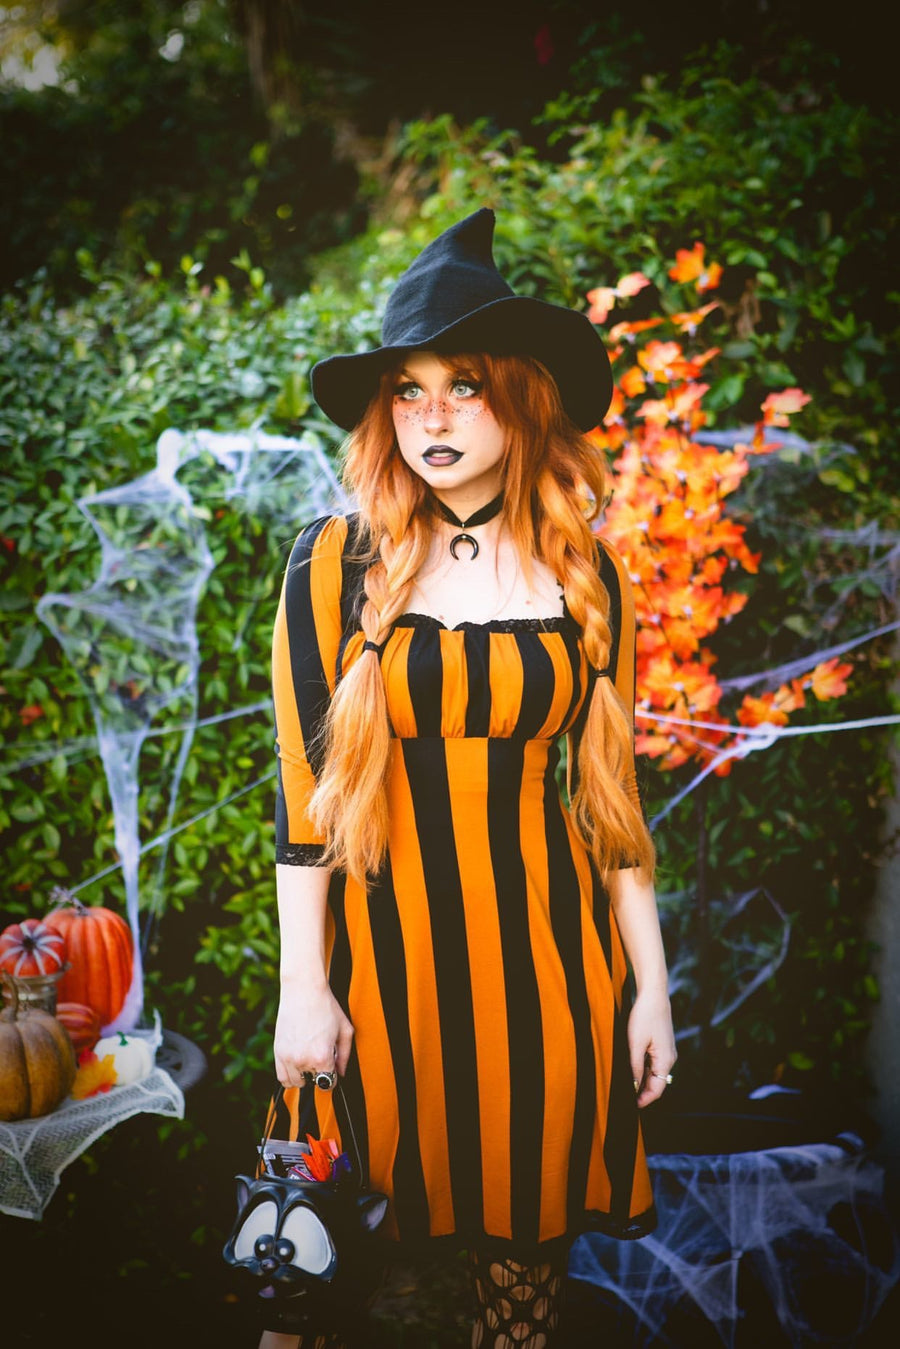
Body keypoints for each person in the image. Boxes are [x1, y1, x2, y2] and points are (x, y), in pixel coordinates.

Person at [260, 208, 676, 1349]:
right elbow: (304, 797)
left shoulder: (586, 571)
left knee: (520, 1300)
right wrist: (304, 988)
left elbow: (612, 803)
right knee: (296, 1283)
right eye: (408, 390)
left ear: (523, 399)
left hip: (546, 976)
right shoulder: (332, 561)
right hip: (370, 972)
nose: (432, 417)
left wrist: (651, 986)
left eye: (465, 387)